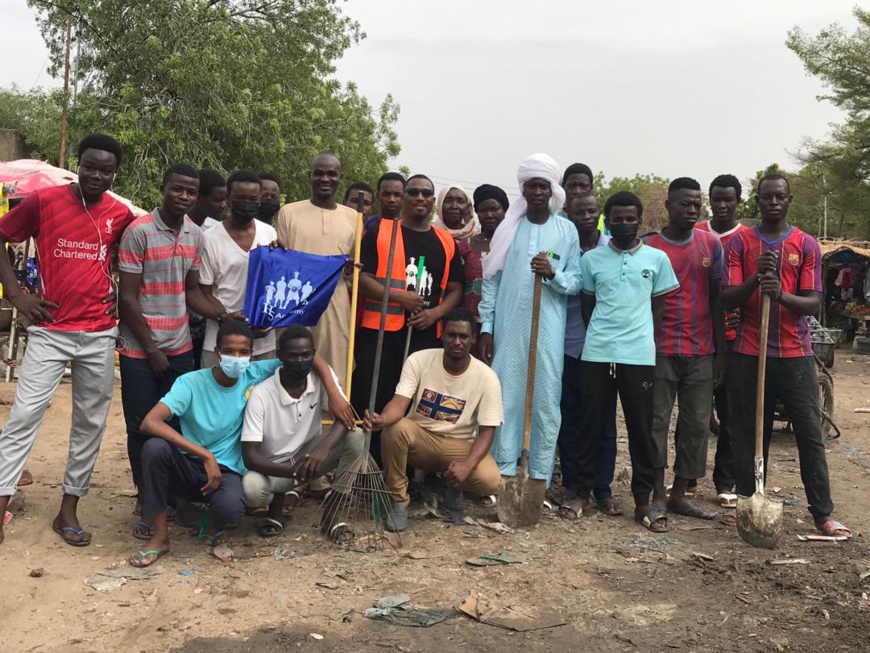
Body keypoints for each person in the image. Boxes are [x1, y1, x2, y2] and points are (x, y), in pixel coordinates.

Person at [0, 134, 135, 546]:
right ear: (78, 164)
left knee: (89, 424)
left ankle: (68, 509)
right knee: (24, 415)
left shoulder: (121, 214)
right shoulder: (45, 202)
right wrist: (17, 295)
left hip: (98, 332)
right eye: (90, 166)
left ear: (115, 172)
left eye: (106, 169)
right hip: (50, 331)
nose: (97, 175)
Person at [128, 321, 353, 567]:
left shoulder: (254, 373)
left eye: (243, 352)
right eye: (229, 351)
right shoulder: (190, 383)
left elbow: (309, 355)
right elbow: (150, 422)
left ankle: (209, 522)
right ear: (217, 353)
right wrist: (205, 455)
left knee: (233, 508)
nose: (237, 358)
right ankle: (160, 536)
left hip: (227, 471)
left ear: (251, 354)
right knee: (154, 448)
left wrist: (333, 392)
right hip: (190, 464)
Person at [722, 174, 852, 539]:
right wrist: (756, 279)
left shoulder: (805, 244)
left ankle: (823, 514)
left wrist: (779, 294)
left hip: (795, 354)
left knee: (810, 435)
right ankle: (749, 503)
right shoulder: (739, 243)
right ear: (757, 201)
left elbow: (812, 302)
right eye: (766, 197)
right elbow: (727, 297)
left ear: (789, 199)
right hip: (749, 351)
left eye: (780, 197)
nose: (773, 202)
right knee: (749, 434)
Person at [118, 164, 232, 536]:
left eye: (190, 192)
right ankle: (145, 501)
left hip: (181, 347)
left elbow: (192, 293)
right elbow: (128, 297)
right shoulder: (138, 232)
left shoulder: (196, 236)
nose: (183, 196)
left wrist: (227, 317)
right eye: (177, 189)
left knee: (179, 424)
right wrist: (151, 347)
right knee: (140, 428)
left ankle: (178, 496)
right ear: (164, 188)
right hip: (140, 349)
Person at [569, 191, 679, 530]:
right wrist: (605, 337)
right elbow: (588, 308)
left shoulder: (657, 260)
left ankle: (643, 501)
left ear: (640, 219)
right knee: (589, 424)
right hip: (597, 352)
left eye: (631, 218)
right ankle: (581, 493)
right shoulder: (591, 261)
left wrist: (639, 338)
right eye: (617, 218)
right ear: (608, 219)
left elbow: (658, 309)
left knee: (641, 430)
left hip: (639, 356)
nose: (624, 224)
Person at [478, 153, 582, 487]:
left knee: (546, 399)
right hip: (509, 328)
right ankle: (504, 470)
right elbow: (491, 282)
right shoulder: (508, 229)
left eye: (543, 186)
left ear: (552, 190)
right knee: (506, 395)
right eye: (531, 186)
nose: (537, 192)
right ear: (523, 190)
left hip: (549, 329)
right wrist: (486, 328)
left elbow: (576, 280)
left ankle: (538, 475)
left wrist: (553, 273)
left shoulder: (566, 231)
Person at [353, 174, 464, 462]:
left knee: (417, 400)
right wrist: (399, 297)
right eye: (412, 192)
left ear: (432, 201)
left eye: (426, 193)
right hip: (379, 332)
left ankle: (406, 468)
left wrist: (436, 313)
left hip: (424, 333)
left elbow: (455, 289)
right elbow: (360, 279)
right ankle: (369, 463)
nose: (419, 198)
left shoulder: (445, 241)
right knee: (373, 396)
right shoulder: (381, 231)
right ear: (403, 198)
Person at [365, 308, 503, 532]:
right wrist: (383, 419)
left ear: (473, 339)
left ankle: (453, 483)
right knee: (393, 428)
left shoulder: (487, 377)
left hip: (459, 445)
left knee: (491, 480)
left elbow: (488, 431)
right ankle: (399, 501)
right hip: (421, 440)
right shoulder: (419, 360)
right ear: (442, 335)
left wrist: (467, 466)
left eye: (463, 336)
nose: (457, 342)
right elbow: (399, 403)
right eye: (451, 335)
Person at [644, 178, 726, 521]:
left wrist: (721, 352)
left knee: (694, 426)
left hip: (701, 350)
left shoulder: (711, 245)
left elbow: (718, 300)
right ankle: (657, 493)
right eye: (684, 204)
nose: (692, 210)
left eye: (697, 204)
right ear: (669, 207)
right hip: (658, 350)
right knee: (656, 423)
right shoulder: (649, 247)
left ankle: (680, 494)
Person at [241, 326, 365, 540]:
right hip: (275, 467)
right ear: (279, 356)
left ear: (313, 354)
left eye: (306, 355)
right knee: (252, 488)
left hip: (310, 458)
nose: (300, 361)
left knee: (356, 436)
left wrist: (323, 451)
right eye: (293, 355)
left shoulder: (320, 378)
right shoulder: (261, 394)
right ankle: (275, 509)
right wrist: (291, 473)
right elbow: (250, 457)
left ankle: (333, 513)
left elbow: (347, 419)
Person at [555, 193, 619, 518]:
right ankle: (572, 483)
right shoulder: (562, 246)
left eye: (592, 211)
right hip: (567, 346)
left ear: (599, 214)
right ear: (569, 213)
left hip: (604, 349)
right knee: (569, 418)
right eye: (579, 211)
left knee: (605, 421)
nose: (586, 216)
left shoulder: (613, 249)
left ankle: (602, 487)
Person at [275, 152, 358, 392]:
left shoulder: (353, 217)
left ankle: (333, 419)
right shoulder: (288, 212)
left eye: (331, 174)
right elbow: (282, 261)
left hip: (336, 302)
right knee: (295, 362)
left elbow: (352, 268)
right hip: (296, 302)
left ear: (341, 178)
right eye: (319, 173)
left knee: (336, 363)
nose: (325, 178)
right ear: (309, 176)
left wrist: (351, 270)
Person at [689, 174, 746, 512]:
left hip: (736, 340)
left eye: (729, 199)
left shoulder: (748, 238)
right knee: (693, 414)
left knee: (731, 415)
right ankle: (688, 476)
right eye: (716, 199)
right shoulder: (695, 233)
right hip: (697, 338)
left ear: (738, 201)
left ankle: (725, 481)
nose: (722, 205)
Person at [200, 170, 278, 369]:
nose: (247, 204)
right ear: (228, 198)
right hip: (221, 342)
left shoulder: (269, 233)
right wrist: (226, 318)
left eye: (253, 199)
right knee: (217, 398)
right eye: (240, 198)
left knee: (261, 398)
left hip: (262, 341)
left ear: (260, 199)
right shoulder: (210, 238)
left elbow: (276, 283)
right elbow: (204, 292)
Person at [458, 184, 508, 359]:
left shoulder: (514, 244)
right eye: (483, 210)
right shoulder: (465, 245)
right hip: (468, 325)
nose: (489, 215)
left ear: (504, 210)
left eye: (495, 209)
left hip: (503, 322)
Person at [186, 168, 227, 368]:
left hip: (206, 324)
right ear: (199, 198)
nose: (223, 205)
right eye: (217, 200)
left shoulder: (214, 230)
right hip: (177, 326)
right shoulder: (180, 226)